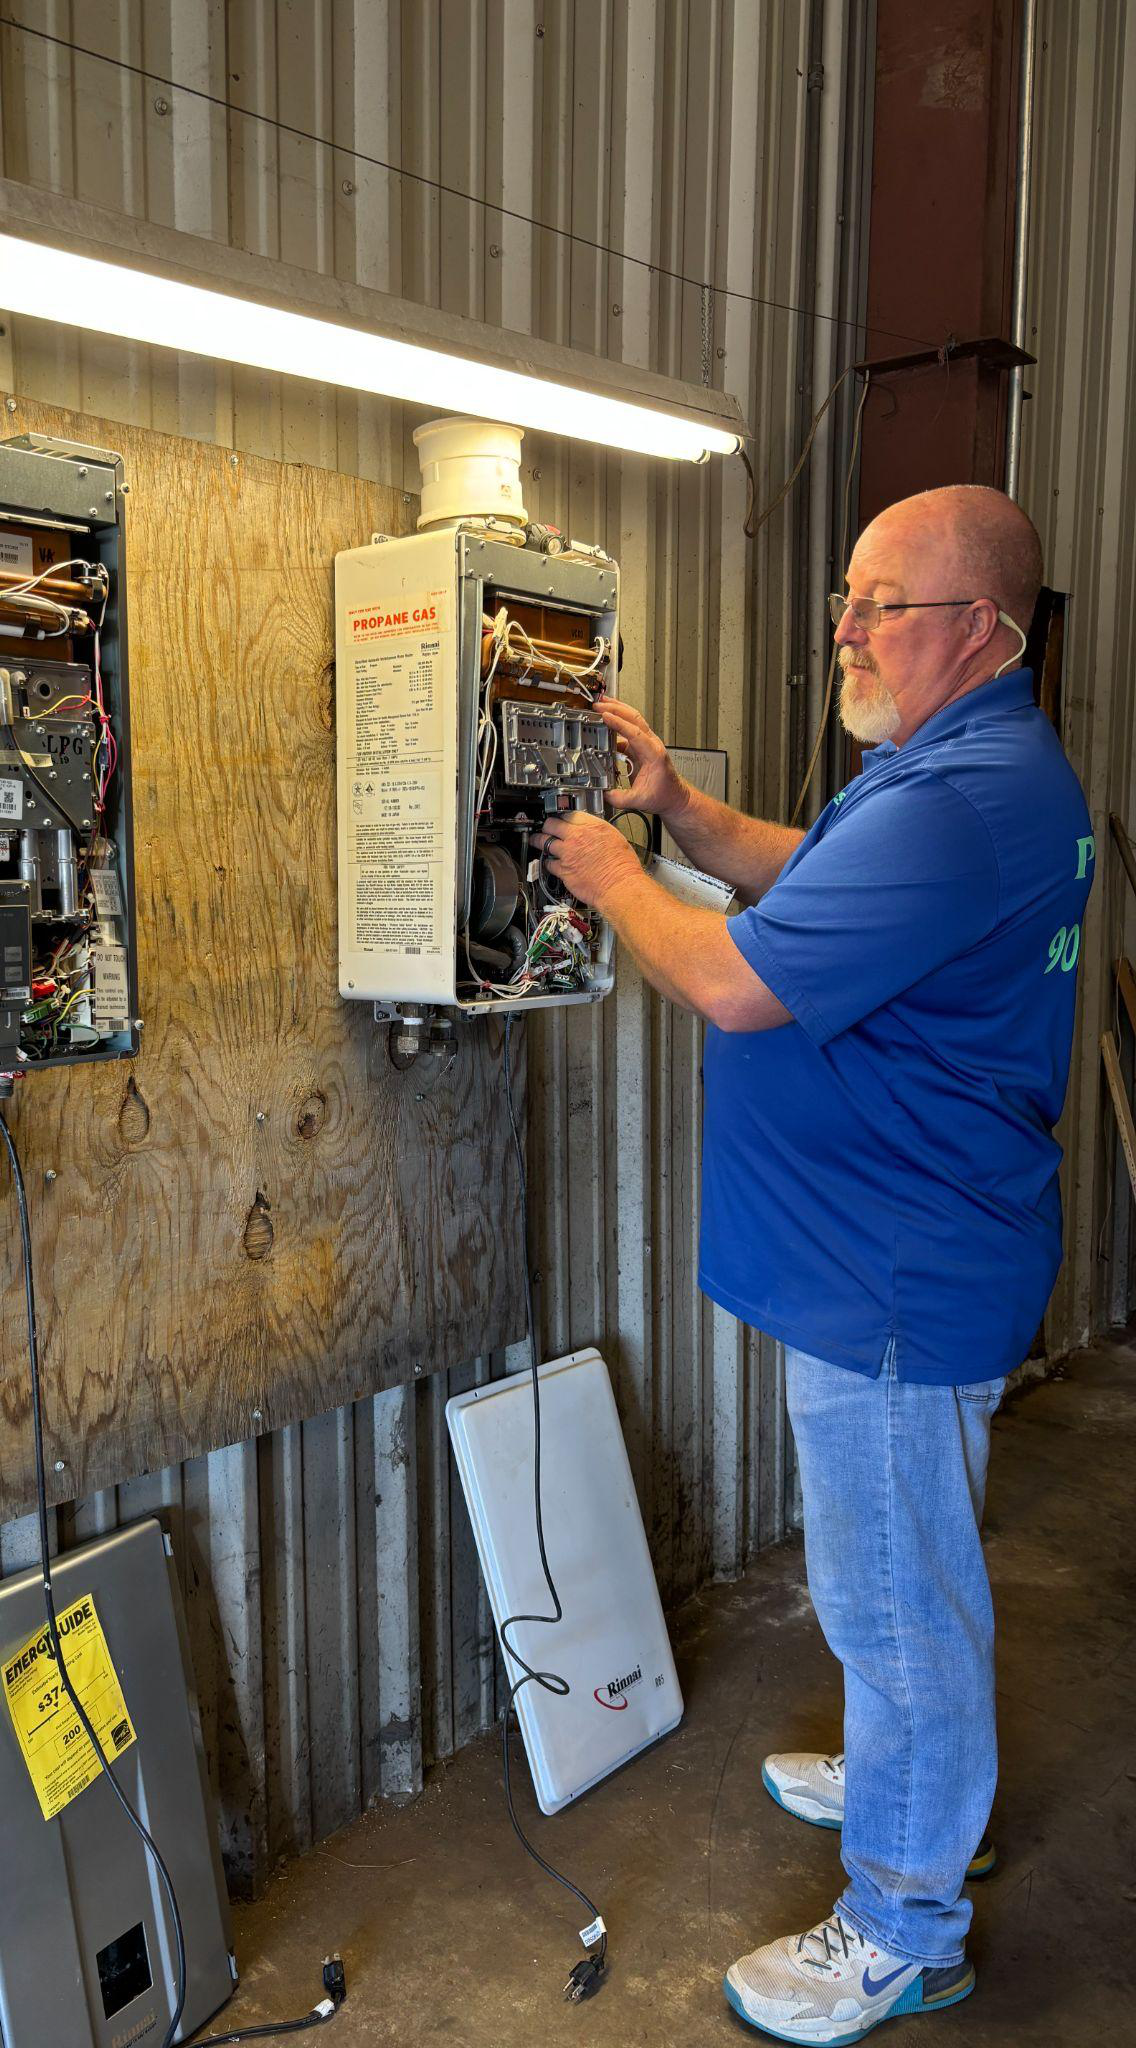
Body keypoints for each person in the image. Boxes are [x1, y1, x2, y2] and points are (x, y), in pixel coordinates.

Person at [534, 485, 1093, 2045]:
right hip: (895, 1255)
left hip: (895, 1276)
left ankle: (907, 1921)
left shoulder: (957, 799)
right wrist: (688, 819)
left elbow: (729, 980)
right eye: (845, 596)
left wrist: (612, 872)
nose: (843, 628)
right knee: (895, 1588)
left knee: (901, 1604)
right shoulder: (963, 772)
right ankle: (922, 1779)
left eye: (880, 605)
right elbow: (831, 891)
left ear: (980, 627)